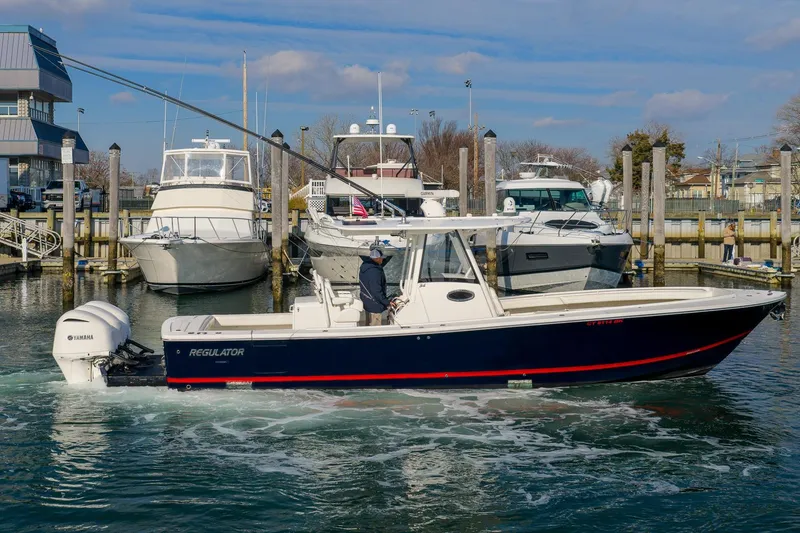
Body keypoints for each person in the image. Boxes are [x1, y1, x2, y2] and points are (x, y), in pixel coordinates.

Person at [359, 248, 392, 326]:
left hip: (367, 302)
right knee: (375, 329)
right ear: (377, 258)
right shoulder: (375, 271)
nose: (382, 260)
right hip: (375, 305)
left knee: (368, 325)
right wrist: (387, 302)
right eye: (381, 258)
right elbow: (376, 291)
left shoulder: (365, 267)